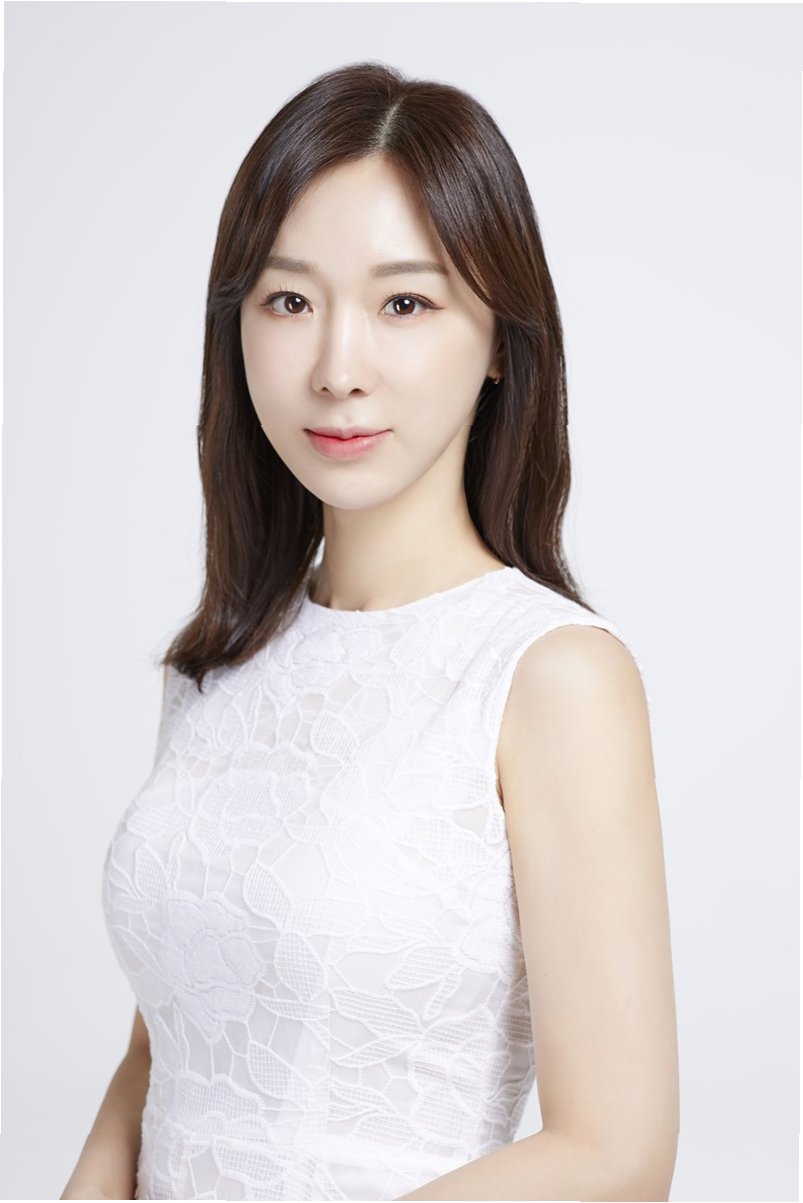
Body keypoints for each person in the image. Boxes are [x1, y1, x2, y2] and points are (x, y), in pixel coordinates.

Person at [61, 61, 679, 1202]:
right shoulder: (218, 663)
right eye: (289, 302)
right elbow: (162, 1055)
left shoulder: (549, 677)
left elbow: (615, 1154)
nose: (337, 370)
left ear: (501, 341)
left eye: (405, 303)